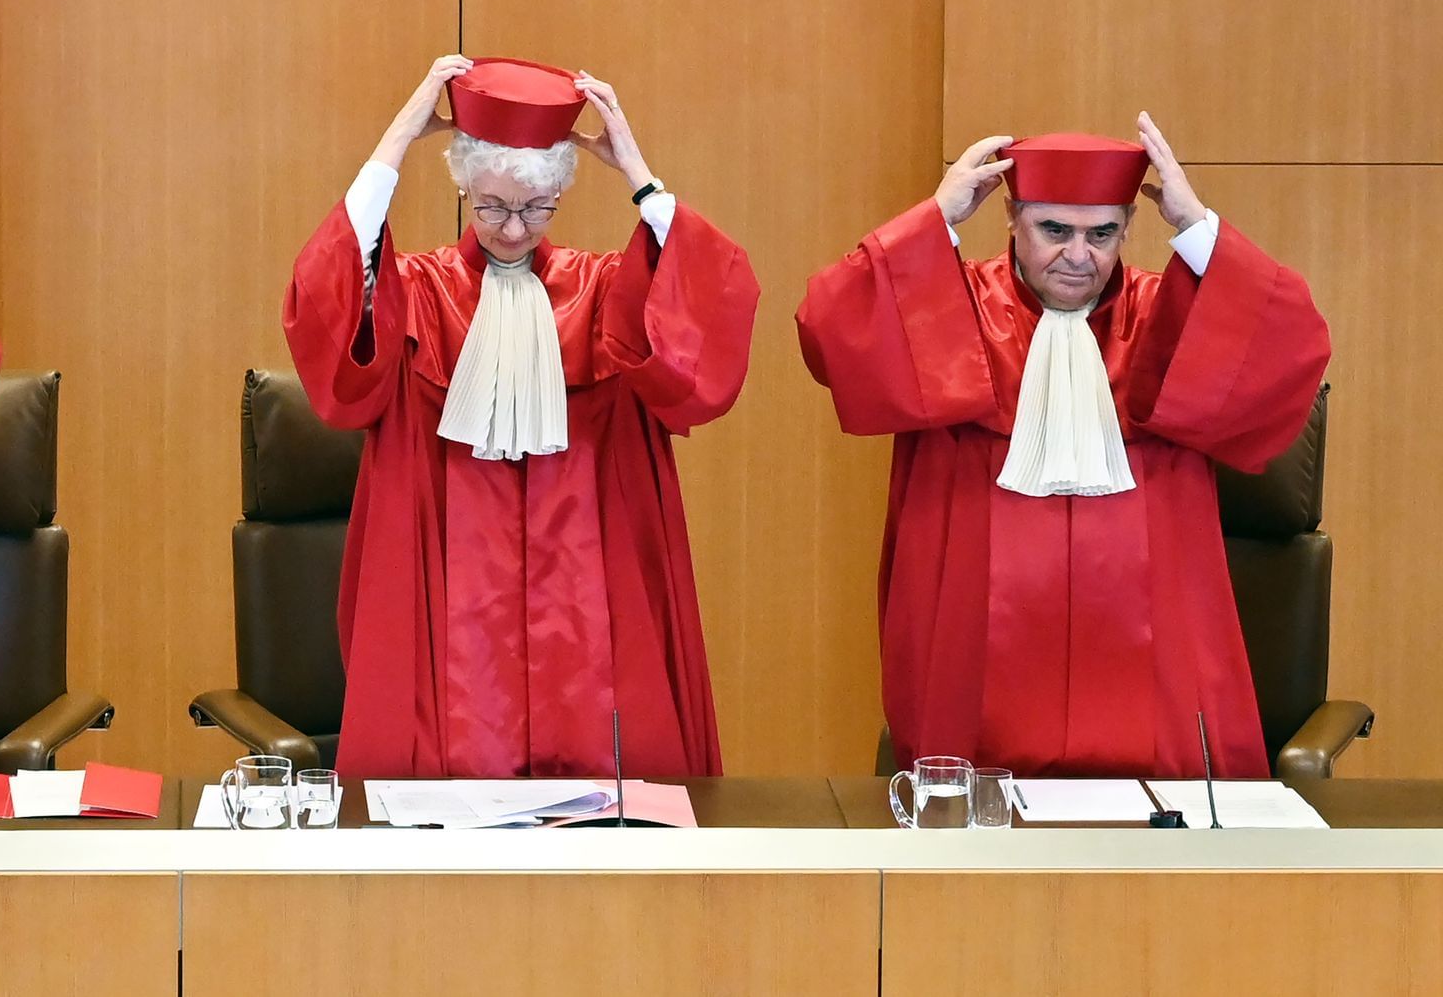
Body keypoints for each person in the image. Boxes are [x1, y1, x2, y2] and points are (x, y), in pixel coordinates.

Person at [797, 117, 1329, 778]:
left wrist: (1197, 227)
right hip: (984, 656)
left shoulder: (1169, 316)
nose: (1079, 255)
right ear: (1012, 218)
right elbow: (828, 328)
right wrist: (936, 218)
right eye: (1054, 230)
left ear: (1127, 227)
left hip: (1150, 669)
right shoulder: (952, 308)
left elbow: (1293, 342)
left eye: (1101, 233)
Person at [285, 55, 760, 778]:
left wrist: (640, 177)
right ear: (464, 190)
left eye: (536, 208)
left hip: (582, 583)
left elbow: (707, 312)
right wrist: (395, 144)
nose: (513, 228)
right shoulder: (418, 290)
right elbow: (333, 303)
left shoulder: (602, 291)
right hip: (451, 583)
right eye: (493, 207)